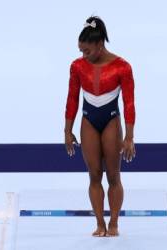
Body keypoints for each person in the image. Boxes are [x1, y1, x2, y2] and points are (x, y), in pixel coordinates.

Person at [64, 16, 136, 237]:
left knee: (113, 176)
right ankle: (99, 223)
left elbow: (129, 103)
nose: (82, 55)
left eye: (86, 51)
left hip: (111, 120)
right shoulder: (77, 67)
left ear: (100, 44)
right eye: (80, 50)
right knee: (94, 175)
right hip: (89, 121)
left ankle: (113, 222)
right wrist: (67, 131)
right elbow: (72, 99)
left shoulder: (122, 67)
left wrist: (130, 137)